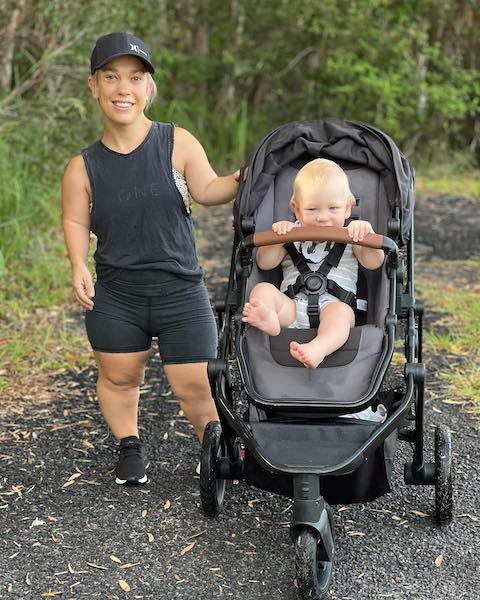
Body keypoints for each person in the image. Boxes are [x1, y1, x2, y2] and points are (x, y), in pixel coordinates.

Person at [61, 32, 240, 485]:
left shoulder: (176, 142)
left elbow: (209, 189)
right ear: (94, 86)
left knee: (197, 384)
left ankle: (212, 449)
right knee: (120, 377)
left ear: (149, 88)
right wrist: (79, 263)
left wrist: (245, 175)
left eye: (135, 78)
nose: (124, 88)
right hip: (118, 293)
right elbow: (76, 222)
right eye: (112, 77)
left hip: (180, 289)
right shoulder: (82, 167)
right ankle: (129, 446)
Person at [242, 158, 385, 369]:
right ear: (296, 209)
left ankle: (319, 347)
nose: (322, 217)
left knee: (341, 315)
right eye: (311, 210)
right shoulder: (291, 232)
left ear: (347, 208)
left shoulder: (352, 233)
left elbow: (374, 263)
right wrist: (278, 237)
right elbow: (264, 263)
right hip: (290, 307)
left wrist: (366, 236)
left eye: (333, 208)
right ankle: (268, 318)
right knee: (262, 289)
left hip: (334, 304)